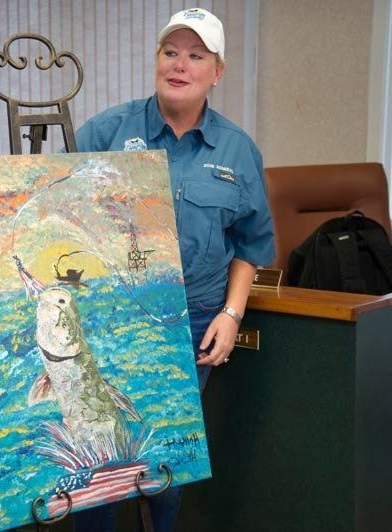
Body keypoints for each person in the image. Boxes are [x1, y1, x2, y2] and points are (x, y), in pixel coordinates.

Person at [72, 7, 275, 532]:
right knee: (101, 457)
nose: (180, 65)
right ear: (156, 59)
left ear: (217, 72)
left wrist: (232, 314)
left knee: (166, 461)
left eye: (196, 55)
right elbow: (53, 205)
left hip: (193, 320)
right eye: (170, 52)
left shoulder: (238, 150)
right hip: (108, 320)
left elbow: (251, 243)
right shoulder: (104, 132)